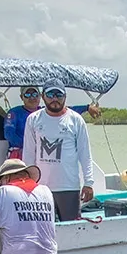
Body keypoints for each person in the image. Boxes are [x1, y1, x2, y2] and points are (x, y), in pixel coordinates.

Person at [22, 79, 94, 221]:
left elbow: (85, 154)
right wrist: (27, 183)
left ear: (65, 97)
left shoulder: (76, 120)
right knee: (42, 230)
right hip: (41, 188)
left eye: (59, 95)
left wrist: (89, 183)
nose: (55, 99)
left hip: (68, 186)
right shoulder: (33, 119)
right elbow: (29, 154)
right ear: (43, 96)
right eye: (50, 95)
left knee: (72, 229)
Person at [5, 85, 100, 160]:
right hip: (19, 153)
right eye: (27, 95)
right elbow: (9, 135)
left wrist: (87, 107)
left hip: (42, 152)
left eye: (35, 94)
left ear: (40, 96)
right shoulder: (13, 113)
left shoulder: (44, 112)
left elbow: (67, 110)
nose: (32, 98)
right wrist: (33, 146)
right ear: (21, 97)